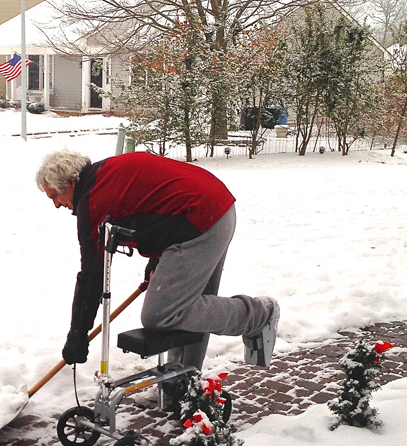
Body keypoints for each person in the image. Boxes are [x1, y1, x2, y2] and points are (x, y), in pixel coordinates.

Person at [35, 148, 280, 372]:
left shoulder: (94, 200)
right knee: (190, 306)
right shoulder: (105, 173)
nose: (57, 205)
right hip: (214, 208)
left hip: (199, 220)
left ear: (70, 182)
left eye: (55, 196)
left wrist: (77, 333)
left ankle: (259, 315)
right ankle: (183, 384)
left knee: (161, 314)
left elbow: (91, 276)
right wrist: (156, 261)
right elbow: (153, 203)